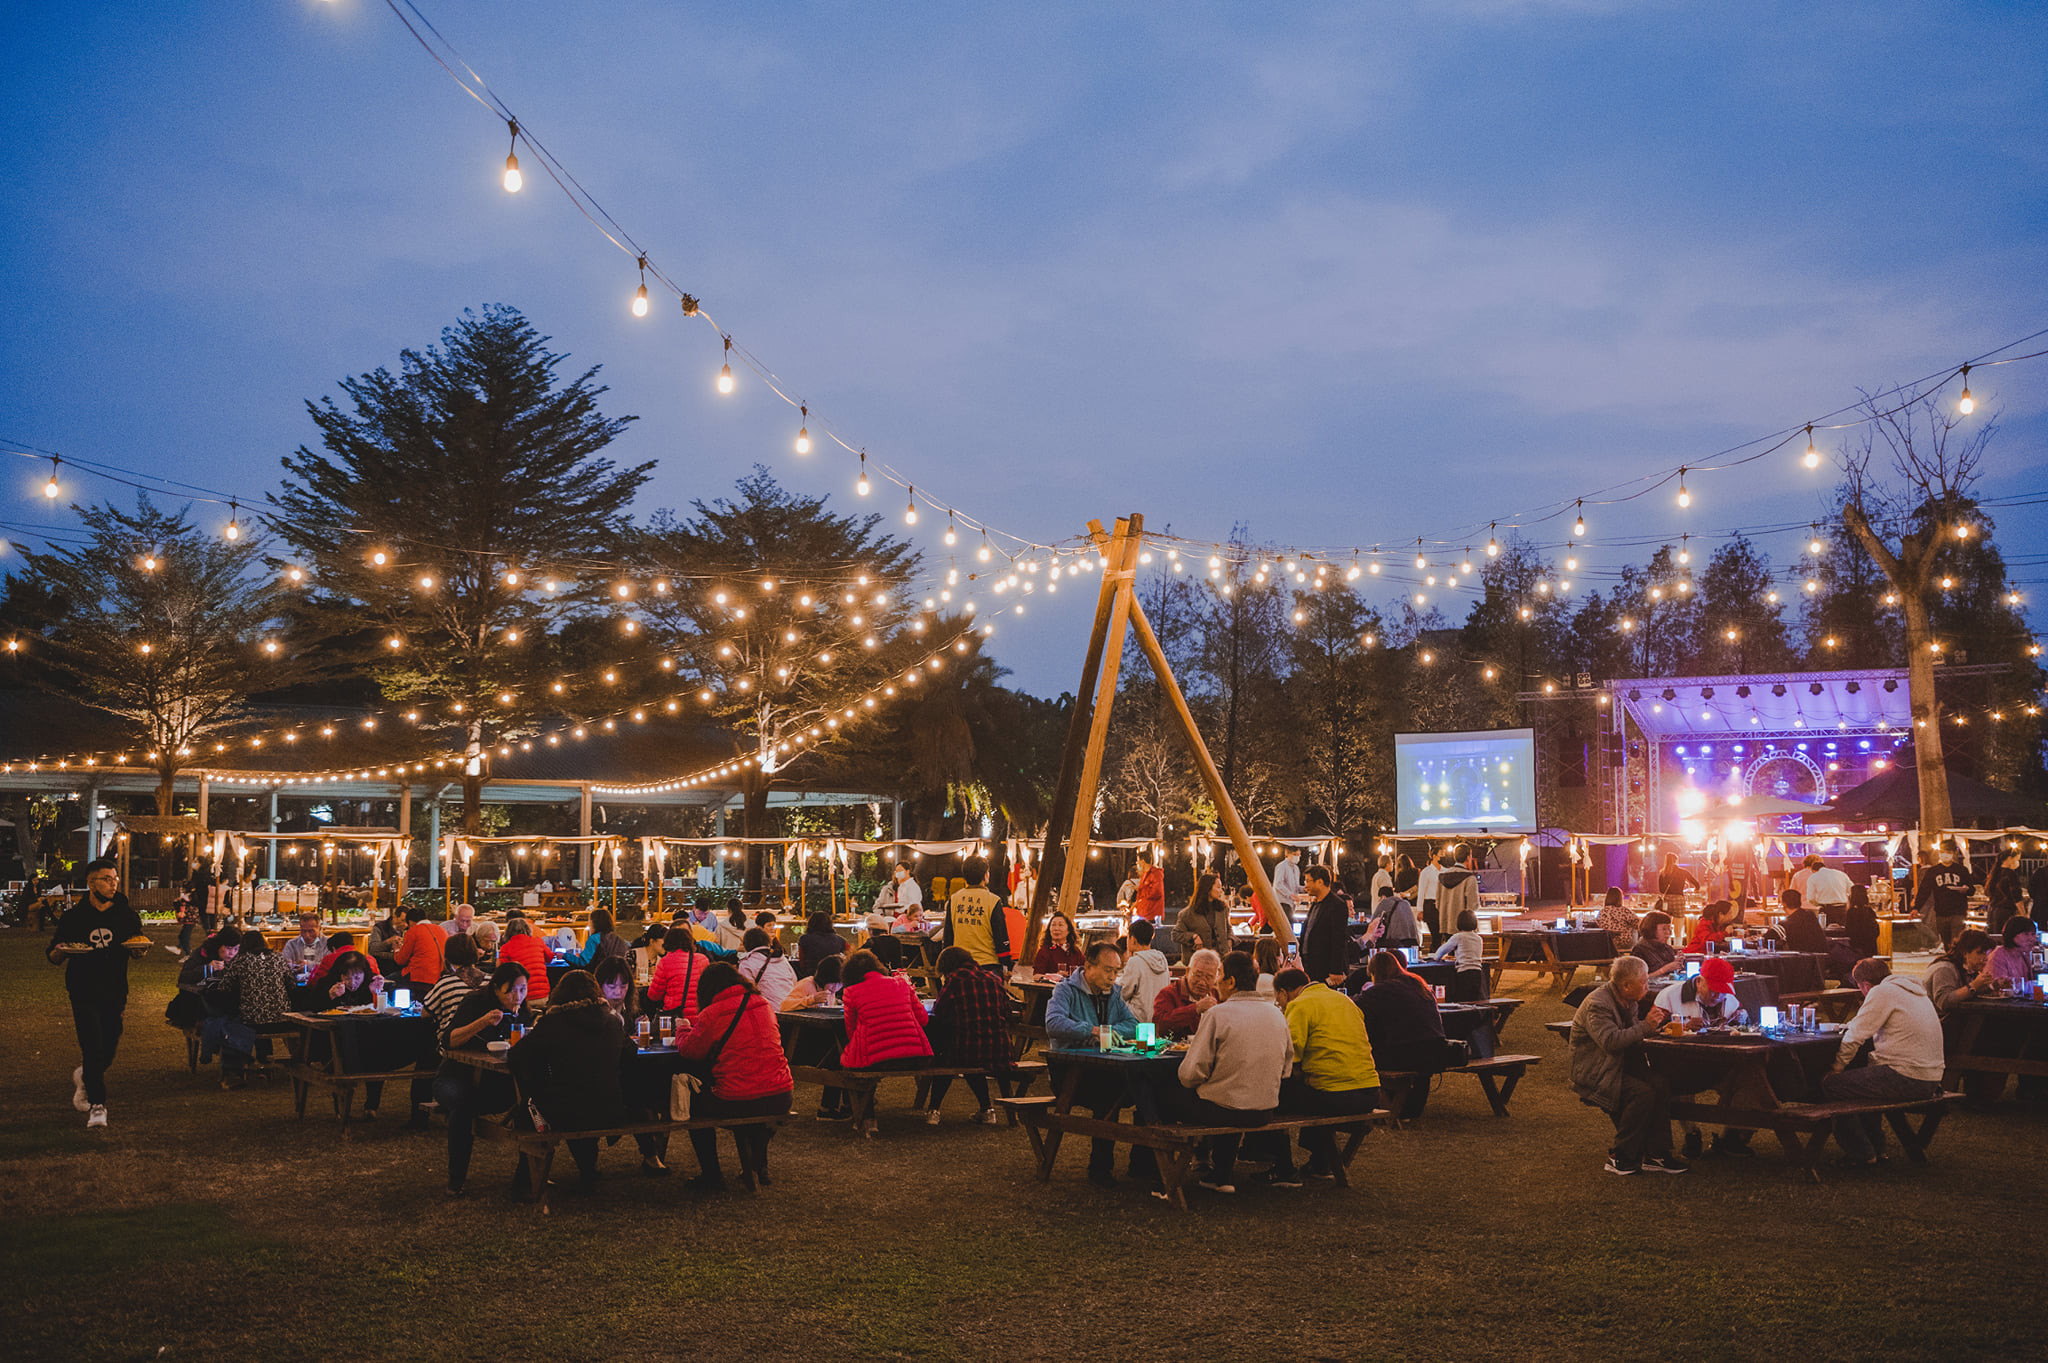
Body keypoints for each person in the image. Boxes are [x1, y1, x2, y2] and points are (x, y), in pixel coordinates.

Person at [1162, 950, 1292, 1195]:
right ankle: (1220, 1174)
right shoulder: (1276, 1014)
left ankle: (1157, 1173)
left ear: (1231, 981)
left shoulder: (1218, 1014)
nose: (1216, 983)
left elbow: (1191, 1074)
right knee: (1227, 1093)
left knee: (1164, 1096)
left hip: (1224, 1110)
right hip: (1265, 1109)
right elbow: (1286, 1068)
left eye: (1219, 975)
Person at [508, 969, 635, 1196]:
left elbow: (517, 1057)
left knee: (529, 1111)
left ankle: (525, 1180)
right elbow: (630, 1055)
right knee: (581, 1096)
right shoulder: (612, 1022)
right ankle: (588, 1171)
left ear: (560, 994)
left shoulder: (553, 1022)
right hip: (609, 1109)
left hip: (564, 1111)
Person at [673, 961, 795, 1191]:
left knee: (694, 1105)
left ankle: (711, 1175)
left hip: (740, 1100)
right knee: (757, 1101)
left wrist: (682, 1028)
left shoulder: (713, 1013)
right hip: (781, 1094)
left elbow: (690, 1050)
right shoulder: (763, 1004)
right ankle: (758, 1165)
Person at [48, 858, 149, 1128]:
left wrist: (139, 950)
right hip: (83, 989)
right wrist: (59, 952)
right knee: (92, 1046)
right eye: (106, 879)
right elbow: (54, 952)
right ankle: (97, 1105)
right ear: (91, 883)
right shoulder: (74, 918)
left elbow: (136, 944)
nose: (113, 883)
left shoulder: (126, 915)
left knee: (108, 1048)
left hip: (114, 990)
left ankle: (85, 1076)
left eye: (115, 878)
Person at [1821, 958, 1946, 1167]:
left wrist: (1837, 1067)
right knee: (1867, 1081)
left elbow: (1855, 1036)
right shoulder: (1913, 991)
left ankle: (1861, 1152)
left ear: (1865, 985)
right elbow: (1863, 1023)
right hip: (1931, 1077)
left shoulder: (1881, 992)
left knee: (1833, 1085)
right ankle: (1877, 1149)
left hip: (1908, 1076)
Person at [1569, 955, 1685, 1175]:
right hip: (1596, 1071)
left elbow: (1632, 1034)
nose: (1647, 986)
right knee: (1641, 1093)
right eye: (1643, 982)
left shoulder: (1628, 999)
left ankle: (1656, 1154)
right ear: (1625, 985)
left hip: (1617, 1065)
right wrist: (1645, 1026)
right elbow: (1610, 1042)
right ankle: (1621, 1156)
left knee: (1660, 1083)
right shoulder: (1598, 1004)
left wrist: (1659, 1029)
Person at [1044, 943, 1144, 1187]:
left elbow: (1133, 1025)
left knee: (1146, 1090)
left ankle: (1143, 1164)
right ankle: (1100, 1168)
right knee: (1110, 1095)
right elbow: (1053, 1023)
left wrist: (1106, 1031)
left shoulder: (1114, 993)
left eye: (1116, 971)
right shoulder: (1065, 990)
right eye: (1108, 970)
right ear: (1088, 967)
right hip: (1069, 1072)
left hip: (1106, 1067)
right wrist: (1090, 1030)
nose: (1113, 977)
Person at [1272, 965, 1381, 1183]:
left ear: (1284, 992)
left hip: (1337, 1096)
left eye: (1279, 1000)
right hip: (1370, 1092)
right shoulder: (1344, 1001)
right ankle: (1320, 1162)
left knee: (1272, 1095)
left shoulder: (1299, 1005)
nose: (1281, 1005)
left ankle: (1282, 1168)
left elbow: (1290, 1056)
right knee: (1312, 1086)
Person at [433, 962, 533, 1196]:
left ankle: (526, 1180)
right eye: (511, 990)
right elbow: (449, 1041)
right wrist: (483, 1021)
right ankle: (456, 1179)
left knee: (531, 1103)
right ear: (496, 989)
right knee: (463, 1104)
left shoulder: (523, 1014)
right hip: (454, 1078)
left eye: (523, 989)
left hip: (495, 1083)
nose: (517, 996)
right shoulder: (475, 1003)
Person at [1352, 951, 1453, 1122]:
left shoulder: (1380, 991)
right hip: (1436, 1051)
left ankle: (1383, 1105)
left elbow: (1353, 1005)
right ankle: (1411, 1110)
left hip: (1406, 1053)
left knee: (1364, 1055)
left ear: (1375, 973)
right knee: (1419, 1069)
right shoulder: (1418, 983)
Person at [923, 946, 1015, 1125]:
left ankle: (934, 1109)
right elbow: (1007, 1011)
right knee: (971, 1052)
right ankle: (986, 1109)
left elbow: (939, 1012)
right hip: (1000, 1050)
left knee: (946, 1055)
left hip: (967, 1049)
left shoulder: (954, 981)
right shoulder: (993, 979)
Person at [206, 929, 293, 1089]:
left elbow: (224, 987)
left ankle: (236, 1070)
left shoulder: (241, 961)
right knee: (263, 1013)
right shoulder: (278, 958)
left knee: (233, 1021)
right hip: (282, 1019)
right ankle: (264, 1061)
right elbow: (292, 983)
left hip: (252, 1020)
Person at [837, 949, 933, 1070]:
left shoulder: (851, 992)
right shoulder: (902, 983)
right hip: (914, 1056)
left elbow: (851, 1031)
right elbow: (923, 1019)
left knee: (845, 1058)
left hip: (874, 1060)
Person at [943, 856, 1013, 974]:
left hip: (961, 965)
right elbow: (1000, 936)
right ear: (985, 875)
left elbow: (948, 936)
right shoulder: (993, 900)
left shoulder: (954, 899)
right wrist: (1007, 963)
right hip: (988, 966)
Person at [168, 928, 239, 1029]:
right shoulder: (203, 953)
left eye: (236, 949)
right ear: (219, 945)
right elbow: (184, 977)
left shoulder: (239, 958)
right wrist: (207, 968)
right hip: (202, 1001)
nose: (232, 953)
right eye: (228, 948)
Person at [1298, 866, 1352, 986]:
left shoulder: (1337, 905)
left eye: (1308, 881)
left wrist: (1336, 970)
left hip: (1326, 968)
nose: (1305, 886)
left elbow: (1338, 939)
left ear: (1320, 882)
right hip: (1311, 965)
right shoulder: (1315, 904)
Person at [1152, 948, 1223, 1038]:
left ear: (1216, 979)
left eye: (1209, 977)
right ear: (1187, 971)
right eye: (1198, 975)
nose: (1202, 982)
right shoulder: (1168, 994)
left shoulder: (1217, 995)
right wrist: (1195, 1009)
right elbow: (1158, 1027)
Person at [650, 928, 715, 1026]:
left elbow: (654, 995)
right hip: (699, 1017)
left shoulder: (665, 961)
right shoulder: (702, 959)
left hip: (676, 1018)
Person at [1924, 929, 1996, 1018]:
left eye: (1987, 953)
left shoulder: (1969, 969)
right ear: (1965, 953)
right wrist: (1974, 986)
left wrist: (1993, 986)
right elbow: (1944, 1002)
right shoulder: (1944, 969)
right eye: (1980, 953)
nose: (1985, 958)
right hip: (1937, 1021)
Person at [1915, 849, 1973, 949]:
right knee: (1946, 941)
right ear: (1939, 854)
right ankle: (1948, 954)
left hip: (1958, 911)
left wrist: (1966, 889)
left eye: (1948, 852)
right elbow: (1924, 891)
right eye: (1943, 852)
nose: (1946, 855)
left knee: (1956, 940)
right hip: (1941, 911)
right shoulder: (1933, 871)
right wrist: (1916, 907)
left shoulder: (1962, 870)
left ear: (1953, 854)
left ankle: (1956, 956)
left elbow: (1972, 890)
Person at [1117, 917, 1171, 1022]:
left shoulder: (1135, 961)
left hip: (1137, 1020)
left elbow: (1123, 993)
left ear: (1133, 939)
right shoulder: (1162, 959)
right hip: (1159, 1017)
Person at [1430, 909, 1487, 1002]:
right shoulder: (1479, 938)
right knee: (1474, 1001)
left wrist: (1436, 957)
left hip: (1464, 973)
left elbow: (1440, 953)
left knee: (1462, 1000)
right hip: (1478, 973)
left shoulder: (1458, 937)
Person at [1177, 873, 1236, 961]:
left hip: (1221, 959)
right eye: (1218, 887)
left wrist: (1229, 941)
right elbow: (1176, 934)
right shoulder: (1187, 914)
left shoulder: (1223, 909)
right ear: (1208, 889)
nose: (1221, 891)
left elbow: (1228, 928)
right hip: (1200, 960)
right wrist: (1193, 936)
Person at [736, 928, 798, 1008]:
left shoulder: (747, 963)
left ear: (746, 945)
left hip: (768, 1010)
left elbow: (747, 992)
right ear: (768, 943)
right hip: (790, 1007)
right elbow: (794, 981)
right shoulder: (782, 959)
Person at [393, 902, 446, 994]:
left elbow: (401, 960)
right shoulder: (442, 930)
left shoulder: (413, 931)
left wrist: (397, 949)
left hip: (418, 977)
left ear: (410, 922)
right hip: (439, 977)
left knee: (387, 982)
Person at [498, 917, 551, 1005]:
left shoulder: (505, 948)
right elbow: (550, 957)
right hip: (543, 995)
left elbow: (503, 972)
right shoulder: (538, 941)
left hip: (521, 997)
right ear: (528, 930)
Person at [1365, 885, 1419, 954]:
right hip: (1411, 940)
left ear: (1383, 896)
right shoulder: (1406, 903)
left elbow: (1373, 923)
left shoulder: (1384, 903)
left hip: (1394, 941)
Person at [1986, 849, 2026, 940]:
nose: (2018, 862)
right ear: (2009, 858)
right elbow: (2016, 896)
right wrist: (2023, 913)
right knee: (2006, 939)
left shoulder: (1994, 874)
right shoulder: (2010, 874)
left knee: (1995, 939)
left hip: (1992, 912)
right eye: (2017, 859)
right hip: (2005, 913)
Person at [796, 910, 847, 979]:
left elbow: (802, 963)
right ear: (830, 924)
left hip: (812, 976)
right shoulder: (840, 940)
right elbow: (850, 956)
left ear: (810, 923)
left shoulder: (804, 939)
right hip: (834, 976)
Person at [1033, 912, 1086, 976]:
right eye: (1053, 925)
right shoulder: (1044, 951)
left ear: (1069, 930)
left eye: (1060, 925)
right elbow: (1036, 976)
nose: (1056, 928)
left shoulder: (1075, 951)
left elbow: (1086, 971)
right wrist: (1055, 976)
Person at [1990, 918, 2040, 985]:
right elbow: (2001, 986)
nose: (2031, 939)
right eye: (2026, 934)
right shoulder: (1999, 955)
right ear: (2012, 934)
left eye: (2033, 934)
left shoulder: (2023, 955)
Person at [1804, 858, 1853, 923]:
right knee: (1842, 927)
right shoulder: (1841, 874)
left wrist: (1818, 904)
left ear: (1813, 870)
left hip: (1826, 909)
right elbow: (1852, 889)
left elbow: (1810, 898)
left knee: (1826, 928)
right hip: (1842, 908)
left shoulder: (1813, 877)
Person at [1415, 848, 1444, 944]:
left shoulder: (1445, 870)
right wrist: (1420, 910)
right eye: (1441, 854)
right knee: (1436, 935)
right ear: (1434, 856)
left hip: (1443, 905)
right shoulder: (1426, 872)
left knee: (1441, 935)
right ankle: (1434, 951)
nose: (1443, 856)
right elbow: (1421, 891)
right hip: (1431, 905)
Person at [1844, 885, 1881, 961]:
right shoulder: (1870, 911)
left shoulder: (1851, 912)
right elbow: (1876, 930)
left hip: (1856, 948)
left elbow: (1848, 931)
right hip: (1871, 947)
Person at [1129, 854, 1165, 922]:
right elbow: (1142, 896)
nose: (1137, 863)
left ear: (1143, 861)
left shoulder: (1155, 874)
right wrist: (1136, 903)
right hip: (1143, 913)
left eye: (1138, 861)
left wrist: (1141, 889)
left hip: (1151, 914)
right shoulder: (1145, 874)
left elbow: (1156, 892)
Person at [1271, 847, 1305, 912]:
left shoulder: (1296, 868)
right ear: (1287, 854)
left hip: (1292, 903)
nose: (1297, 857)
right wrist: (1290, 895)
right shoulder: (1281, 866)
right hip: (1282, 901)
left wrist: (1304, 888)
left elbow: (1296, 887)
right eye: (1295, 854)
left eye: (1299, 855)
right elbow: (1278, 884)